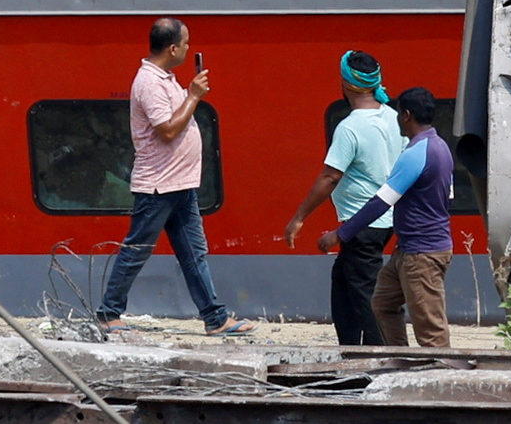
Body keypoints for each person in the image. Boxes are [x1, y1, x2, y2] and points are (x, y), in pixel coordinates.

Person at [96, 18, 255, 337]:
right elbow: (167, 130)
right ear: (172, 48)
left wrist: (189, 94)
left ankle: (215, 317)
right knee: (137, 249)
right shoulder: (149, 83)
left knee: (194, 253)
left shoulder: (166, 78)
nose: (187, 49)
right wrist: (194, 96)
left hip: (181, 184)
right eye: (185, 43)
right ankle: (108, 313)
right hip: (158, 186)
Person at [284, 51, 405, 345]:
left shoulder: (350, 127)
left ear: (346, 84)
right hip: (386, 219)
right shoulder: (392, 117)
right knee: (343, 286)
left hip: (364, 224)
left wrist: (299, 217)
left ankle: (382, 357)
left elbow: (330, 176)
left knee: (366, 298)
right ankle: (351, 350)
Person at [319, 88, 454, 347]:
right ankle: (399, 358)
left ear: (405, 115)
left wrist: (340, 234)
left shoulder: (416, 153)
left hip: (422, 253)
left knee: (430, 329)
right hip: (409, 249)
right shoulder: (441, 147)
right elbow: (447, 196)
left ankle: (443, 375)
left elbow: (380, 203)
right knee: (382, 303)